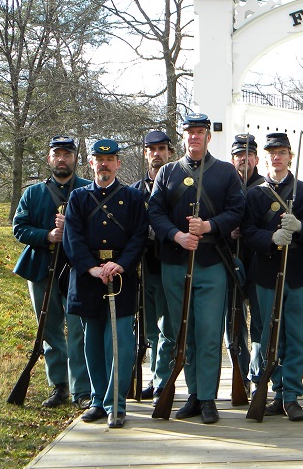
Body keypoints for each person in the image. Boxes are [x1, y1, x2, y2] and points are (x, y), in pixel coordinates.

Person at [148, 112, 244, 424]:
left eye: (200, 132)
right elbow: (155, 212)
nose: (195, 137)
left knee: (208, 333)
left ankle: (207, 398)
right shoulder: (167, 173)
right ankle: (192, 394)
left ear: (208, 136)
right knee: (182, 333)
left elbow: (237, 211)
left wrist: (209, 226)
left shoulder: (226, 172)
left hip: (211, 261)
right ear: (184, 137)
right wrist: (175, 235)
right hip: (175, 262)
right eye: (190, 132)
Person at [63, 139, 148, 428]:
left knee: (120, 343)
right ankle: (98, 400)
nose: (104, 164)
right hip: (89, 279)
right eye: (99, 160)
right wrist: (91, 268)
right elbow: (71, 238)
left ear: (118, 164)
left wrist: (120, 263)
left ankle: (116, 403)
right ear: (91, 163)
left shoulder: (133, 198)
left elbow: (139, 236)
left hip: (120, 277)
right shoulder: (78, 198)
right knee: (92, 344)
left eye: (110, 159)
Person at [242, 132, 303, 421]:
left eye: (281, 152)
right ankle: (273, 387)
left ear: (290, 156)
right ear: (265, 157)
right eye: (271, 152)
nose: (276, 157)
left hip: (299, 274)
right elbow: (248, 233)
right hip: (265, 274)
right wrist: (271, 237)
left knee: (298, 336)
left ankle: (290, 395)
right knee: (268, 336)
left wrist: (300, 226)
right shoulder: (254, 194)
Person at [12, 135, 91, 410]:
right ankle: (60, 386)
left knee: (79, 329)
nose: (62, 158)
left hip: (76, 271)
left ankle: (82, 388)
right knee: (50, 330)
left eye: (67, 154)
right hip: (42, 268)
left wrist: (71, 231)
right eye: (57, 153)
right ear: (49, 158)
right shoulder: (33, 193)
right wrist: (48, 235)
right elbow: (19, 228)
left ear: (75, 159)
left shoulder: (88, 190)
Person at [131, 130, 176, 405]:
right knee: (149, 329)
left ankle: (162, 382)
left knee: (167, 327)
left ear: (169, 152)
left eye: (161, 148)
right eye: (152, 149)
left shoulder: (176, 185)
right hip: (141, 266)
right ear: (145, 153)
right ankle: (152, 378)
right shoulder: (135, 190)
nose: (157, 154)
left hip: (168, 263)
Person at [228, 133, 266, 396]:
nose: (244, 158)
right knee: (234, 324)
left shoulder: (266, 188)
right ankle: (240, 376)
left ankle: (259, 376)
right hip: (229, 263)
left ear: (256, 158)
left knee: (261, 324)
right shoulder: (224, 185)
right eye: (239, 154)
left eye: (249, 154)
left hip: (260, 263)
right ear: (233, 159)